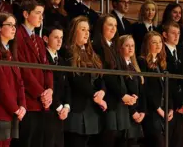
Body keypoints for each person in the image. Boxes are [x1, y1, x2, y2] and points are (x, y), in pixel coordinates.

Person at [63, 16, 107, 147]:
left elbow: (101, 77)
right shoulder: (68, 51)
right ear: (73, 32)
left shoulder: (91, 53)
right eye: (83, 29)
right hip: (77, 108)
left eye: (88, 30)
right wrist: (95, 95)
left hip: (92, 109)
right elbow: (77, 80)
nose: (87, 33)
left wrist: (102, 92)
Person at [14, 0, 53, 147]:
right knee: (27, 141)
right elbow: (23, 69)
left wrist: (49, 89)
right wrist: (41, 93)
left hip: (42, 102)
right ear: (25, 14)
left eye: (42, 14)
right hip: (29, 100)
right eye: (38, 13)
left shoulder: (38, 39)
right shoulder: (17, 36)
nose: (41, 17)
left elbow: (48, 67)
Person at [92, 15, 134, 146]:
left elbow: (121, 74)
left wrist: (130, 93)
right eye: (110, 25)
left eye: (115, 25)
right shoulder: (97, 46)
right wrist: (122, 94)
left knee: (120, 137)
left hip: (119, 98)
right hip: (109, 97)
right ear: (101, 27)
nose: (113, 28)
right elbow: (106, 75)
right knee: (108, 137)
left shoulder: (114, 47)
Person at [138, 31, 172, 147]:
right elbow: (145, 88)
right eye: (154, 42)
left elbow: (166, 88)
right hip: (151, 111)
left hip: (162, 110)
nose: (158, 45)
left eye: (160, 42)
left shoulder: (160, 63)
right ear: (147, 44)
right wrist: (158, 109)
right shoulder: (142, 61)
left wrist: (170, 108)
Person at [0, 13, 26, 147]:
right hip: (0, 112)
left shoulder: (10, 53)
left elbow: (20, 82)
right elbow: (1, 84)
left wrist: (23, 106)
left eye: (15, 25)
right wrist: (15, 108)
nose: (14, 28)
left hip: (11, 112)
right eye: (9, 25)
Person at [163, 22, 183, 147]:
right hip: (170, 102)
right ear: (165, 34)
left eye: (178, 33)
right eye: (173, 33)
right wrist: (181, 101)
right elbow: (170, 80)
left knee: (178, 140)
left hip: (182, 105)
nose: (176, 36)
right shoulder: (162, 52)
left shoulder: (180, 51)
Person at [42, 24, 69, 147]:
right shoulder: (42, 58)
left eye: (61, 38)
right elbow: (47, 85)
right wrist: (59, 107)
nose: (59, 41)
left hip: (61, 112)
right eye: (56, 37)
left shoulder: (62, 60)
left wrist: (67, 107)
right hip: (49, 111)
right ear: (46, 39)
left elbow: (67, 86)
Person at [118, 35, 146, 147]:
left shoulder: (134, 66)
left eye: (133, 46)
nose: (130, 48)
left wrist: (142, 111)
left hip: (137, 114)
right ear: (120, 48)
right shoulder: (120, 67)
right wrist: (133, 111)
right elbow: (124, 91)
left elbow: (142, 91)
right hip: (127, 113)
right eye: (127, 45)